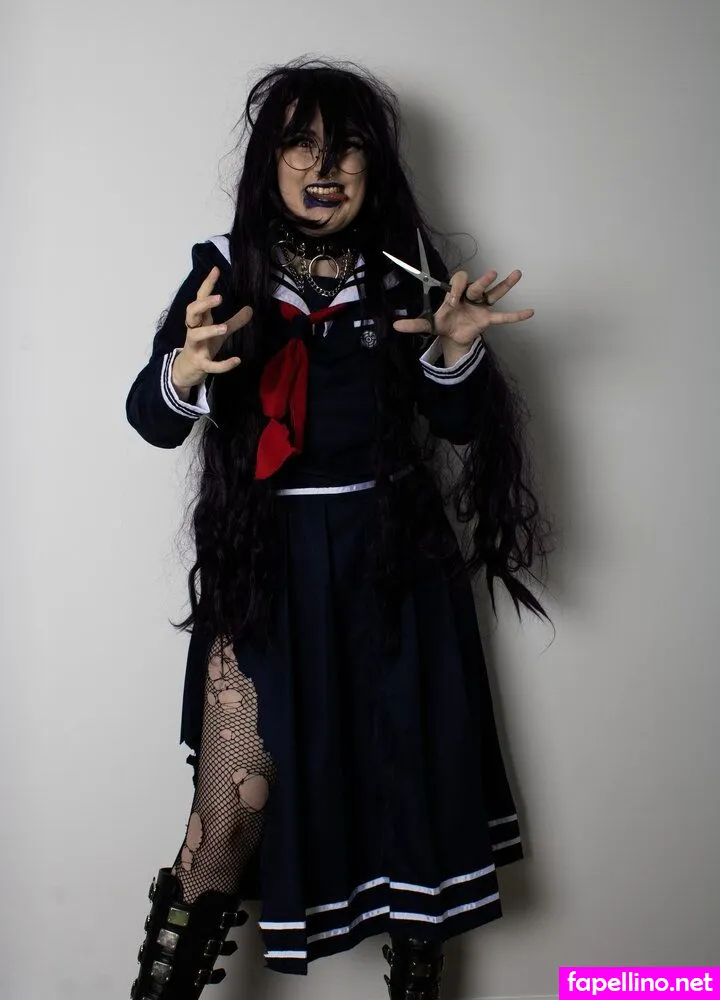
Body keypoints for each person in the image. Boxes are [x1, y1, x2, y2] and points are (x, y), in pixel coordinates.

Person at [125, 57, 553, 1000]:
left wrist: (454, 349)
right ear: (269, 161)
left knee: (414, 789)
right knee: (229, 813)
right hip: (266, 567)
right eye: (300, 143)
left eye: (347, 145)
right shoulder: (223, 268)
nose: (324, 165)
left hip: (394, 566)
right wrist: (185, 371)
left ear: (374, 163)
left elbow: (458, 425)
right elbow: (151, 419)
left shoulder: (406, 272)